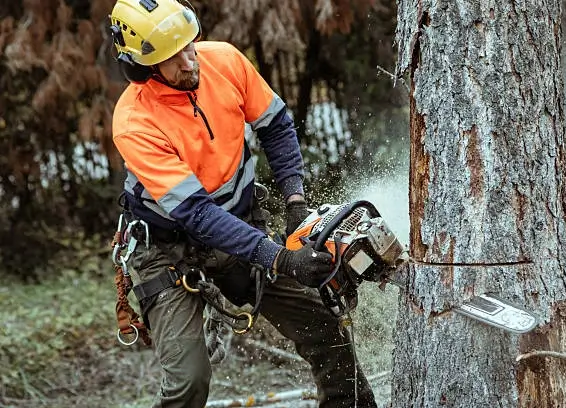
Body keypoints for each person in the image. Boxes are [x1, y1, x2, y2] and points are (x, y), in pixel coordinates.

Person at [108, 0, 377, 407]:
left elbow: (276, 125)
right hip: (168, 251)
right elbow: (196, 213)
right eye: (172, 56)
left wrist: (295, 202)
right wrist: (281, 259)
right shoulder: (135, 121)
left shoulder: (225, 61)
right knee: (188, 381)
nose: (189, 60)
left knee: (323, 327)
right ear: (143, 67)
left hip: (240, 226)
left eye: (189, 45)